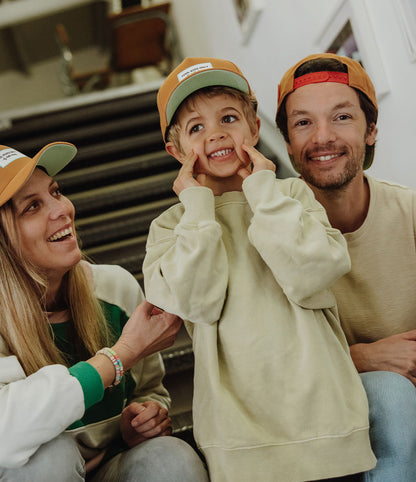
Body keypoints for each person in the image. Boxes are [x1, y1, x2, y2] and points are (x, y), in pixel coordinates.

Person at [142, 56, 376, 482]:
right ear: (175, 151)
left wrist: (263, 194)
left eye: (228, 118)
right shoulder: (172, 227)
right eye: (196, 128)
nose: (215, 133)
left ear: (253, 126)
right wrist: (198, 209)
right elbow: (197, 301)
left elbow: (314, 273)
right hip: (241, 442)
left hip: (327, 424)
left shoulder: (290, 195)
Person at [0, 141, 209, 481]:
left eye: (55, 192)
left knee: (169, 458)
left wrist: (143, 417)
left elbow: (148, 390)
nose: (61, 209)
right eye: (32, 207)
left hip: (109, 469)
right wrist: (119, 356)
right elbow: (4, 434)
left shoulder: (114, 288)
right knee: (48, 457)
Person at [275, 52, 416, 481]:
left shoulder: (410, 214)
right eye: (303, 123)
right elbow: (266, 364)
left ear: (371, 130)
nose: (322, 138)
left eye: (341, 117)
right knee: (389, 393)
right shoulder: (268, 230)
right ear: (286, 142)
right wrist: (361, 357)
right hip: (314, 423)